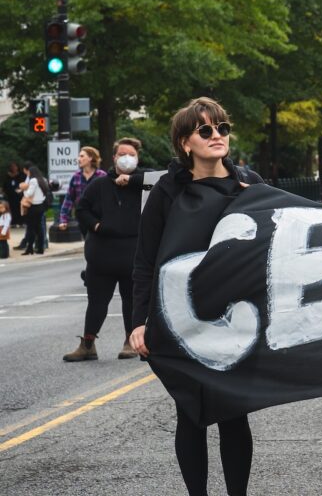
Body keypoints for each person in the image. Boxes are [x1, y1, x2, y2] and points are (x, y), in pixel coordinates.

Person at [128, 97, 261, 496]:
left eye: (222, 127)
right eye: (206, 130)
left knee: (234, 414)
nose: (217, 135)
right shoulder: (166, 192)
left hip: (236, 317)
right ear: (186, 142)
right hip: (181, 318)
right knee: (191, 413)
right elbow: (145, 261)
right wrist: (138, 321)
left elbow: (289, 228)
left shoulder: (249, 183)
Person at [62, 138, 148, 362]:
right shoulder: (100, 184)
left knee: (131, 301)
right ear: (114, 157)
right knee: (97, 302)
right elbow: (82, 209)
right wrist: (96, 225)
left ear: (137, 157)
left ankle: (130, 341)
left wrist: (132, 180)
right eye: (122, 154)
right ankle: (88, 344)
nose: (126, 158)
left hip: (133, 255)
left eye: (131, 154)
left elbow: (166, 181)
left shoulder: (145, 183)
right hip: (102, 256)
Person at [57, 146, 107, 233]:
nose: (78, 159)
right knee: (88, 244)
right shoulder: (76, 176)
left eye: (82, 156)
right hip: (82, 218)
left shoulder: (102, 176)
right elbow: (69, 199)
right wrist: (63, 219)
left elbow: (109, 198)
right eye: (79, 156)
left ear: (90, 158)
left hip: (99, 218)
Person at [20, 162, 51, 255]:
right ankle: (40, 247)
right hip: (41, 206)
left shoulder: (33, 180)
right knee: (39, 228)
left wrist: (24, 190)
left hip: (33, 207)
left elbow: (29, 193)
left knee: (31, 228)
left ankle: (30, 248)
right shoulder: (43, 180)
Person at [3, 162, 22, 228]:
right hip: (10, 196)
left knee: (19, 208)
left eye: (15, 166)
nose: (14, 168)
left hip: (18, 196)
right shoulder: (7, 176)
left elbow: (22, 184)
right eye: (12, 166)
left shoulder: (20, 175)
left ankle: (20, 222)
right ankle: (12, 222)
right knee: (11, 209)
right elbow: (5, 185)